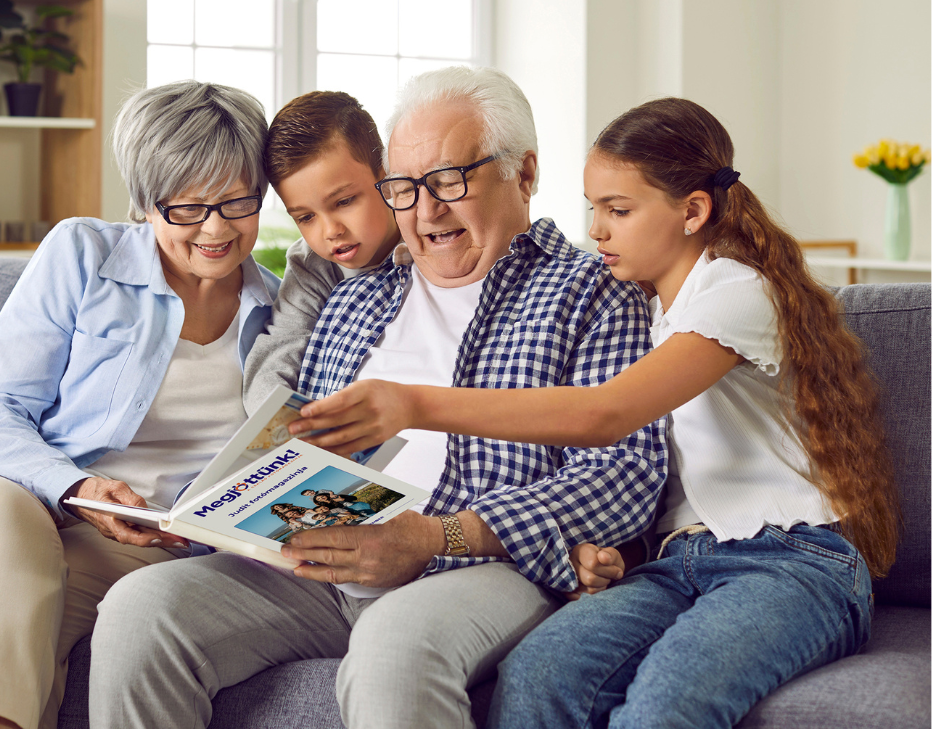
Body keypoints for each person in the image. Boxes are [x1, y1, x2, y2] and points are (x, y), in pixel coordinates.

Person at [291, 96, 901, 729]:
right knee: (541, 672)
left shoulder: (737, 293)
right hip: (678, 562)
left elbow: (606, 416)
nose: (597, 230)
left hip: (791, 562)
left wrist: (415, 404)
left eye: (619, 210)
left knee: (668, 700)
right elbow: (660, 477)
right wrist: (614, 555)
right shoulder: (648, 308)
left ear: (693, 212)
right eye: (594, 210)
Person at [88, 67, 668, 729]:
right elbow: (299, 442)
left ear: (525, 173)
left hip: (479, 566)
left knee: (392, 648)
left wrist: (431, 536)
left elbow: (625, 475)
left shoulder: (595, 291)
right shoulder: (356, 294)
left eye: (451, 180)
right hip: (323, 563)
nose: (426, 211)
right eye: (406, 188)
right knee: (141, 609)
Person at [0, 81, 280, 729]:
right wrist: (77, 488)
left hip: (148, 548)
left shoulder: (280, 308)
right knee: (3, 522)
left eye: (236, 202)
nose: (215, 228)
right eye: (186, 207)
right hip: (1, 499)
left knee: (18, 628)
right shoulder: (83, 254)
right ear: (144, 204)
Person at [242, 91, 401, 412]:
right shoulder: (311, 264)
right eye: (306, 217)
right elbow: (279, 351)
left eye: (344, 202)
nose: (331, 231)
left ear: (387, 179)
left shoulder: (430, 239)